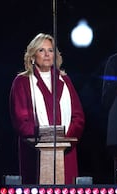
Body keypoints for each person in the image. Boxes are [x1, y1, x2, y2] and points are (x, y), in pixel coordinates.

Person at [9, 33, 85, 184]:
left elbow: (78, 116)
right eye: (41, 50)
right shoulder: (22, 82)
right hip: (36, 150)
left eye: (50, 50)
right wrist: (45, 138)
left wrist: (65, 140)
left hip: (65, 150)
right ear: (32, 55)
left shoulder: (65, 80)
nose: (47, 55)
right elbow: (20, 119)